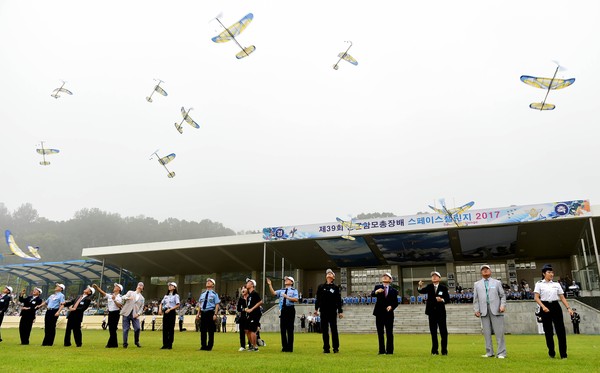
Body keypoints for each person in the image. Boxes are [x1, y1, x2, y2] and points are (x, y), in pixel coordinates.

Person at [534, 263, 574, 359]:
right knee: (548, 331)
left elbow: (562, 297)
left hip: (556, 306)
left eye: (552, 272)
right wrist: (543, 307)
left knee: (561, 330)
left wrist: (568, 308)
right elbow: (536, 297)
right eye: (549, 272)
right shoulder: (539, 284)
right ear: (544, 273)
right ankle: (551, 352)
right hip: (545, 306)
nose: (551, 274)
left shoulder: (556, 284)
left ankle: (563, 354)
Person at [473, 264, 507, 359]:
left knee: (499, 332)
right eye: (483, 270)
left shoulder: (497, 282)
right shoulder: (477, 284)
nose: (485, 271)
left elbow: (502, 295)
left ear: (490, 271)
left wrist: (502, 305)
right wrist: (476, 310)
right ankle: (489, 352)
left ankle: (501, 353)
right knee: (487, 333)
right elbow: (475, 299)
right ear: (481, 272)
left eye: (486, 269)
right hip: (484, 310)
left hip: (496, 309)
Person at [417, 271, 450, 356]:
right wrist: (420, 286)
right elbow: (421, 291)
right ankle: (434, 350)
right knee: (433, 332)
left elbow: (447, 299)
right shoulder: (429, 286)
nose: (434, 277)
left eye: (436, 276)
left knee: (443, 332)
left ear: (439, 278)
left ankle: (444, 351)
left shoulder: (443, 288)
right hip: (431, 313)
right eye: (432, 276)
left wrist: (442, 300)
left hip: (441, 312)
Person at [267, 275, 299, 352]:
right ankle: (284, 347)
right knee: (283, 329)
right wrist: (270, 284)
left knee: (290, 329)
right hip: (283, 310)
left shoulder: (294, 290)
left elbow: (296, 299)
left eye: (288, 279)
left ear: (291, 282)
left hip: (290, 309)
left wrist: (287, 297)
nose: (286, 280)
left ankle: (290, 348)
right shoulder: (281, 290)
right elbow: (274, 293)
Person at [315, 268, 343, 354]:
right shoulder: (321, 287)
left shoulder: (336, 288)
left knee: (334, 329)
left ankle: (336, 348)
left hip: (332, 310)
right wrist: (316, 309)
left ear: (333, 277)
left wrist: (340, 311)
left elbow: (338, 300)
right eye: (327, 273)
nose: (329, 274)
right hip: (323, 311)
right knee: (324, 330)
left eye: (331, 274)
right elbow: (318, 299)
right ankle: (326, 348)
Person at [371, 272, 398, 355]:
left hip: (389, 314)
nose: (385, 277)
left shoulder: (394, 290)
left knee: (389, 332)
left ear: (390, 280)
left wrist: (391, 306)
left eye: (387, 276)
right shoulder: (377, 287)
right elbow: (372, 294)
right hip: (379, 313)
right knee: (380, 332)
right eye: (384, 276)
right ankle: (381, 350)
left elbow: (396, 302)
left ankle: (389, 351)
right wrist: (376, 292)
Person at [93, 283, 123, 348]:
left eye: (116, 286)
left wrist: (114, 300)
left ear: (119, 289)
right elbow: (103, 293)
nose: (114, 287)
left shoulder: (120, 297)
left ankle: (110, 344)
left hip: (115, 313)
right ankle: (114, 344)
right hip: (110, 313)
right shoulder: (110, 295)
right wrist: (97, 288)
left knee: (113, 329)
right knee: (111, 329)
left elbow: (119, 306)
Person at [197, 278, 220, 351]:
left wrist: (215, 314)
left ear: (213, 285)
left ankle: (209, 346)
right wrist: (198, 314)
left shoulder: (214, 294)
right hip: (203, 313)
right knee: (203, 330)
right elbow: (200, 304)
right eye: (207, 282)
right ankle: (203, 346)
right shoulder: (203, 294)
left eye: (210, 282)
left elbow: (217, 304)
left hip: (210, 312)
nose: (208, 282)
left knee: (210, 330)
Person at [120, 282, 145, 348]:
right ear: (136, 286)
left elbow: (141, 308)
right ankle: (125, 343)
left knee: (138, 328)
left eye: (141, 286)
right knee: (125, 329)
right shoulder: (130, 292)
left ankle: (136, 341)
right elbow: (123, 297)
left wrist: (138, 314)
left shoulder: (142, 298)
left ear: (142, 288)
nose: (140, 286)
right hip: (126, 312)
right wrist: (127, 298)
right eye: (139, 285)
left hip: (135, 314)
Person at [159, 282, 180, 349]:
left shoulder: (176, 296)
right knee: (165, 328)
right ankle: (165, 344)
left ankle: (170, 344)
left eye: (171, 285)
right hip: (165, 311)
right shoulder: (166, 296)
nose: (170, 286)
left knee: (170, 328)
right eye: (169, 285)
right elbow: (161, 303)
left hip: (171, 312)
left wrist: (170, 309)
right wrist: (160, 310)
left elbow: (178, 305)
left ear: (174, 287)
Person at [244, 278, 263, 352]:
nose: (247, 284)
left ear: (252, 285)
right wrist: (247, 309)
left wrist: (252, 309)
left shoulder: (255, 293)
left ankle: (255, 347)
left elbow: (260, 302)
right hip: (250, 314)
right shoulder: (249, 295)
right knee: (246, 330)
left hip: (255, 313)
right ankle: (251, 345)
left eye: (249, 282)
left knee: (252, 330)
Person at [236, 286, 248, 351]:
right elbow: (238, 308)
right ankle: (242, 346)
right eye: (242, 288)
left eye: (244, 288)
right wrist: (243, 309)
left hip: (250, 317)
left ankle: (251, 344)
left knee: (249, 331)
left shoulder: (250, 298)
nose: (243, 290)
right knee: (242, 332)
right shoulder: (241, 299)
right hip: (242, 317)